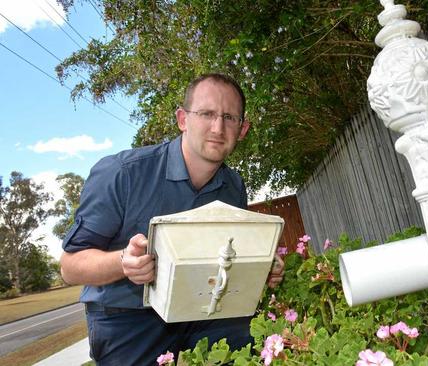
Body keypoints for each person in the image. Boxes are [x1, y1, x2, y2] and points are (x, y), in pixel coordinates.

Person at [59, 73, 284, 365]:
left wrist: (261, 265)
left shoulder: (234, 187)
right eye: (206, 113)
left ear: (242, 129)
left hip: (205, 311)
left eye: (230, 117)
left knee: (250, 350)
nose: (218, 127)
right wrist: (123, 263)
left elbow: (227, 256)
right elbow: (69, 267)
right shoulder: (121, 173)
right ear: (182, 119)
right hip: (127, 319)